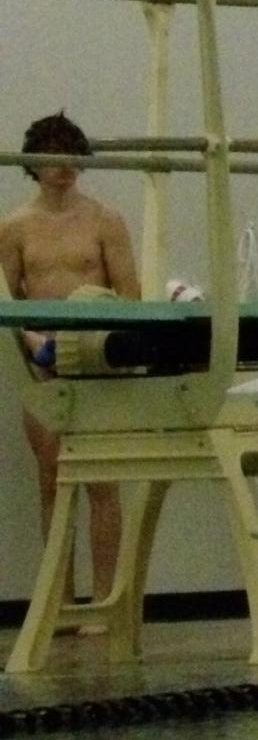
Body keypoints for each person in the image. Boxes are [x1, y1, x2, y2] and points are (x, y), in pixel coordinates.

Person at [0, 111, 142, 604]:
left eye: (69, 154)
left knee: (102, 482)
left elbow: (129, 295)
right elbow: (8, 303)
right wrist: (34, 346)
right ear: (34, 163)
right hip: (42, 363)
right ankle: (58, 599)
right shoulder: (15, 227)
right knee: (53, 480)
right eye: (51, 155)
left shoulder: (105, 220)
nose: (62, 165)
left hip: (96, 361)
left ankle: (104, 600)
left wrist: (100, 346)